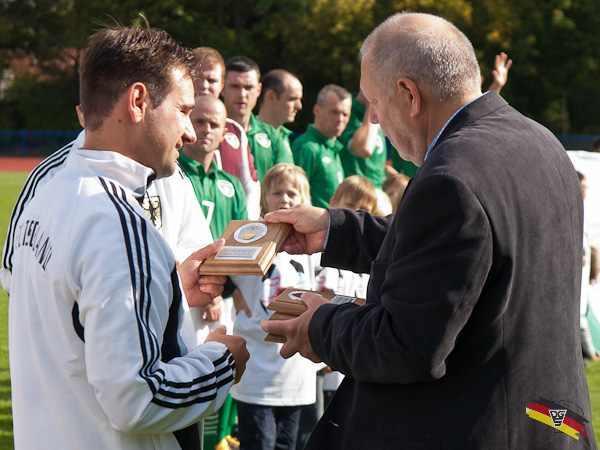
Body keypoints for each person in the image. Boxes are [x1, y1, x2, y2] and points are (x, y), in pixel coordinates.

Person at [262, 12, 595, 450]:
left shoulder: (452, 177)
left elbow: (404, 346)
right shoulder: (539, 141)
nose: (375, 121)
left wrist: (319, 325)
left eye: (373, 104)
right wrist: (333, 229)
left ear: (408, 95)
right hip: (548, 421)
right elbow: (460, 250)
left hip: (477, 426)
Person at [8, 26, 249, 450]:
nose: (190, 132)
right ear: (138, 101)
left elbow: (39, 293)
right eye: (182, 110)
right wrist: (223, 361)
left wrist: (168, 285)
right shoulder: (120, 222)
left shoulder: (44, 180)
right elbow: (138, 400)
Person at [230, 163, 319, 450]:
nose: (285, 199)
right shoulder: (249, 237)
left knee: (288, 445)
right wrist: (233, 292)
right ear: (264, 198)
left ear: (305, 199)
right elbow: (217, 272)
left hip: (296, 373)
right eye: (277, 192)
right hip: (256, 371)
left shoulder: (314, 248)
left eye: (292, 193)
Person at [179, 93, 248, 450]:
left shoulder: (231, 185)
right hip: (182, 292)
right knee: (186, 379)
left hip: (219, 298)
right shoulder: (171, 176)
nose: (206, 130)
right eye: (200, 121)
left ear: (225, 132)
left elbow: (236, 245)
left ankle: (221, 438)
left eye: (214, 124)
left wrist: (226, 292)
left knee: (221, 374)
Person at [192, 47, 260, 219]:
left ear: (222, 86)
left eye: (211, 80)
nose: (204, 85)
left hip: (228, 223)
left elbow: (250, 187)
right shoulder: (173, 125)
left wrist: (245, 228)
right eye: (198, 78)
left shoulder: (235, 131)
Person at [222, 56, 294, 182]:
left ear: (259, 90)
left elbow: (287, 184)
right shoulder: (209, 132)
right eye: (235, 86)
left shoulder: (273, 136)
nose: (242, 94)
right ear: (222, 88)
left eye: (248, 87)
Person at [292, 85, 351, 208]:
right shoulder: (307, 148)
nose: (340, 119)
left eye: (345, 114)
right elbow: (295, 195)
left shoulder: (333, 147)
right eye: (334, 112)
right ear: (317, 110)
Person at [257, 69, 303, 149]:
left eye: (300, 99)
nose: (299, 106)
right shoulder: (246, 135)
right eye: (292, 99)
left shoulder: (293, 140)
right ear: (271, 96)